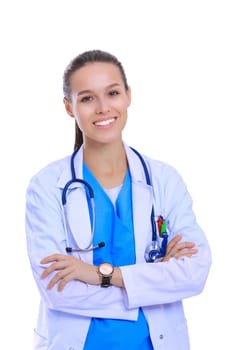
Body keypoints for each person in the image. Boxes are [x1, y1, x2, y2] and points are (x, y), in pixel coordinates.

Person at [25, 49, 212, 350]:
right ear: (69, 107)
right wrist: (154, 280)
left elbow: (194, 273)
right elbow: (57, 291)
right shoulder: (46, 186)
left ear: (128, 95)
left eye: (112, 93)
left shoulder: (164, 180)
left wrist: (98, 274)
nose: (102, 108)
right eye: (87, 98)